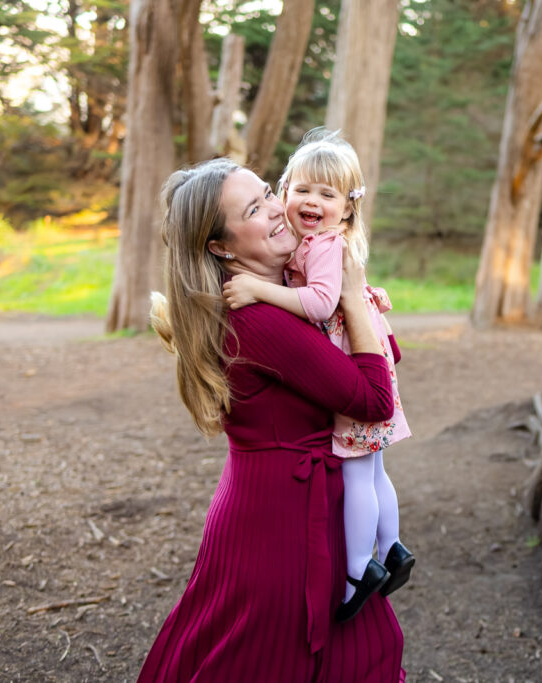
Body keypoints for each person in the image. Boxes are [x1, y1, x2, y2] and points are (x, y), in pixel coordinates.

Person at [138, 158, 404, 682]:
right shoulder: (257, 319)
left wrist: (359, 304)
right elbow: (376, 400)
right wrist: (351, 294)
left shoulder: (288, 294)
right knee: (274, 659)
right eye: (253, 209)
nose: (278, 209)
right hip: (283, 523)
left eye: (267, 192)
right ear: (221, 247)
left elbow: (386, 353)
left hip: (276, 504)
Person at [222, 129, 413, 623]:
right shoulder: (318, 244)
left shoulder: (324, 248)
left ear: (347, 209)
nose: (309, 201)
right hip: (361, 355)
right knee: (374, 470)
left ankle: (358, 570)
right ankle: (391, 548)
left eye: (326, 195)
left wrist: (261, 291)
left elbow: (321, 303)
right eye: (299, 189)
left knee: (359, 471)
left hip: (356, 364)